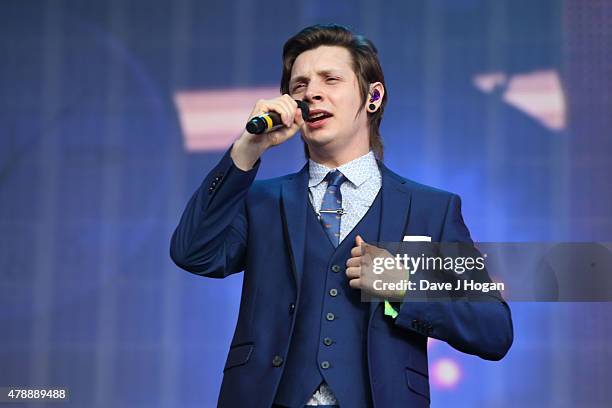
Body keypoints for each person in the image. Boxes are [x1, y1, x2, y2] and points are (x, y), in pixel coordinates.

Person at [170, 24, 513, 408]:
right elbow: (192, 252)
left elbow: (493, 330)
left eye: (330, 79)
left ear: (373, 96)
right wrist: (248, 149)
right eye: (298, 86)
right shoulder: (261, 200)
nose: (311, 92)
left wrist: (404, 287)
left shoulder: (431, 209)